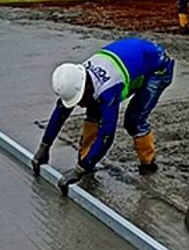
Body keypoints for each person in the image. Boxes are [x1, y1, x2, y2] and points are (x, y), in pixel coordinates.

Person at [31, 38, 175, 194]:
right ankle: (87, 160)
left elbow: (107, 135)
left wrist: (79, 171)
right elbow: (61, 112)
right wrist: (44, 147)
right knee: (93, 108)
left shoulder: (108, 92)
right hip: (133, 56)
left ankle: (148, 164)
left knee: (134, 120)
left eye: (79, 99)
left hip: (158, 68)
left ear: (84, 87)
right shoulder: (76, 78)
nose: (78, 105)